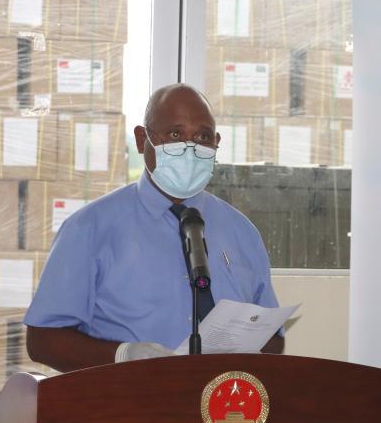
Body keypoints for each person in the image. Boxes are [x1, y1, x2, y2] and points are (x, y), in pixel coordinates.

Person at [24, 83, 284, 372]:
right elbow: (42, 341)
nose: (190, 147)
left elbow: (273, 338)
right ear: (141, 139)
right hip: (125, 394)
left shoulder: (242, 231)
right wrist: (122, 355)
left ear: (216, 143)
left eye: (202, 137)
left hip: (219, 396)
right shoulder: (89, 228)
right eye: (175, 134)